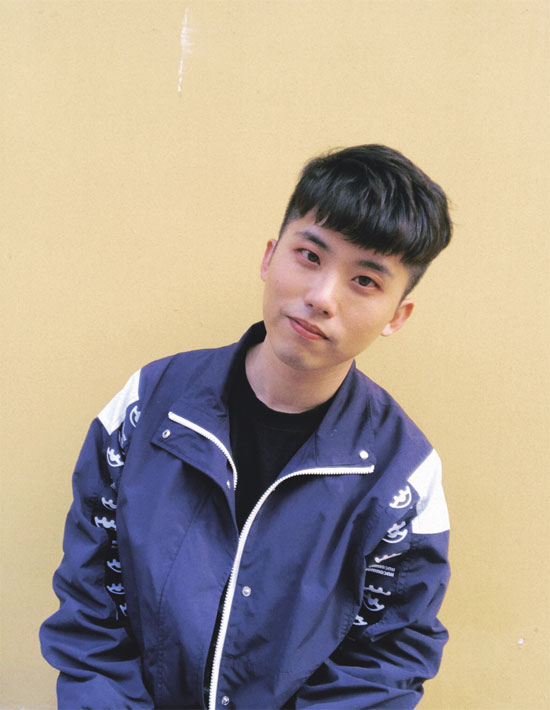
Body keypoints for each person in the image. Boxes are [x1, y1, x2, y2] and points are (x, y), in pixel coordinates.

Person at [40, 144, 452, 709]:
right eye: (309, 255)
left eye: (364, 280)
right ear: (269, 257)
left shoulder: (403, 476)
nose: (320, 298)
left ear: (396, 316)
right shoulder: (149, 405)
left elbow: (385, 662)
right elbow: (91, 608)